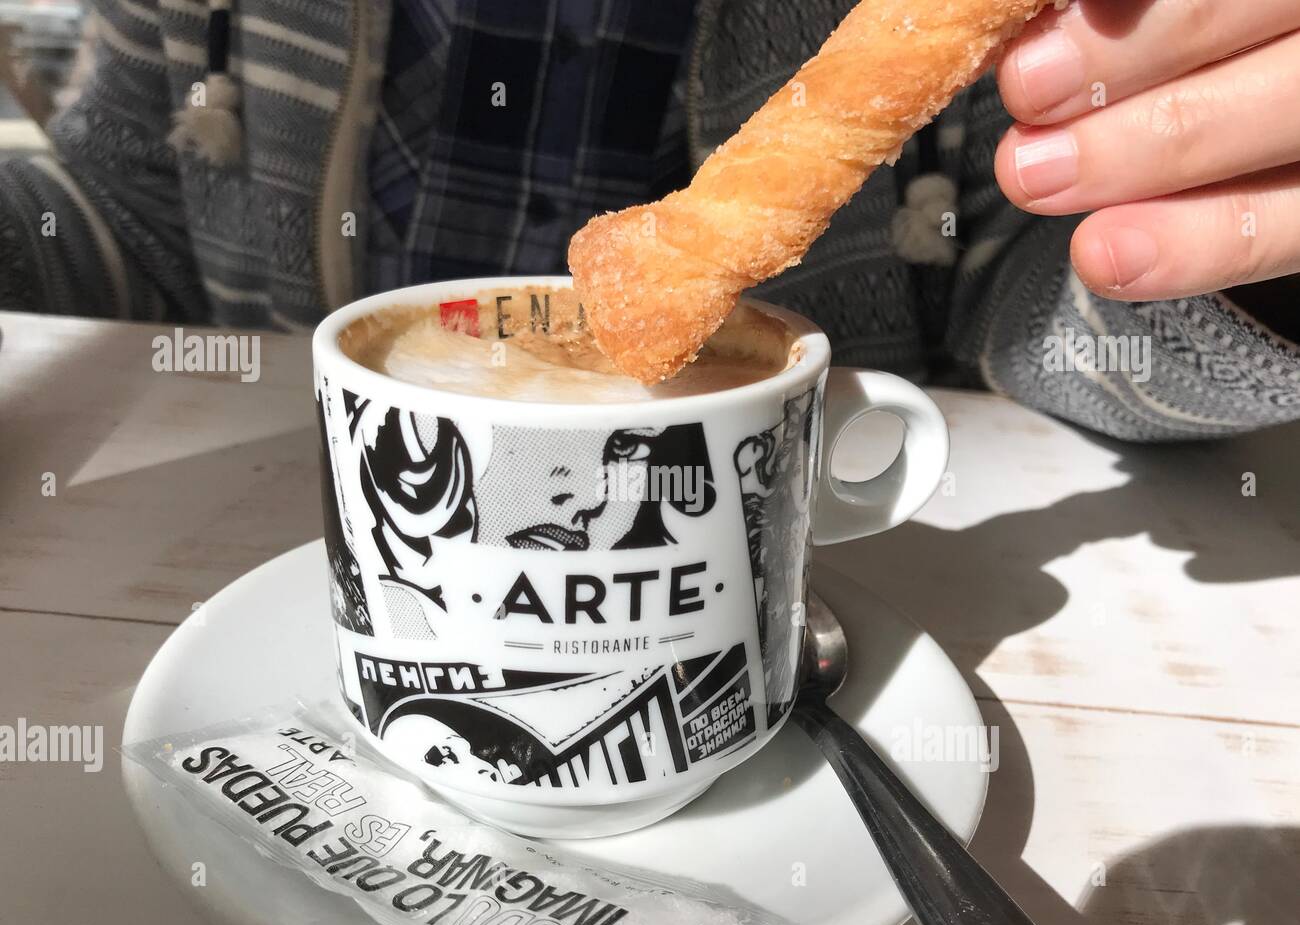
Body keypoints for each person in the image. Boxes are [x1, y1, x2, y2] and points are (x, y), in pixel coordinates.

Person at [2, 0, 1297, 443]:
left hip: (840, 627)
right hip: (289, 604)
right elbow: (130, 223)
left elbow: (1034, 310)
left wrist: (1249, 239)